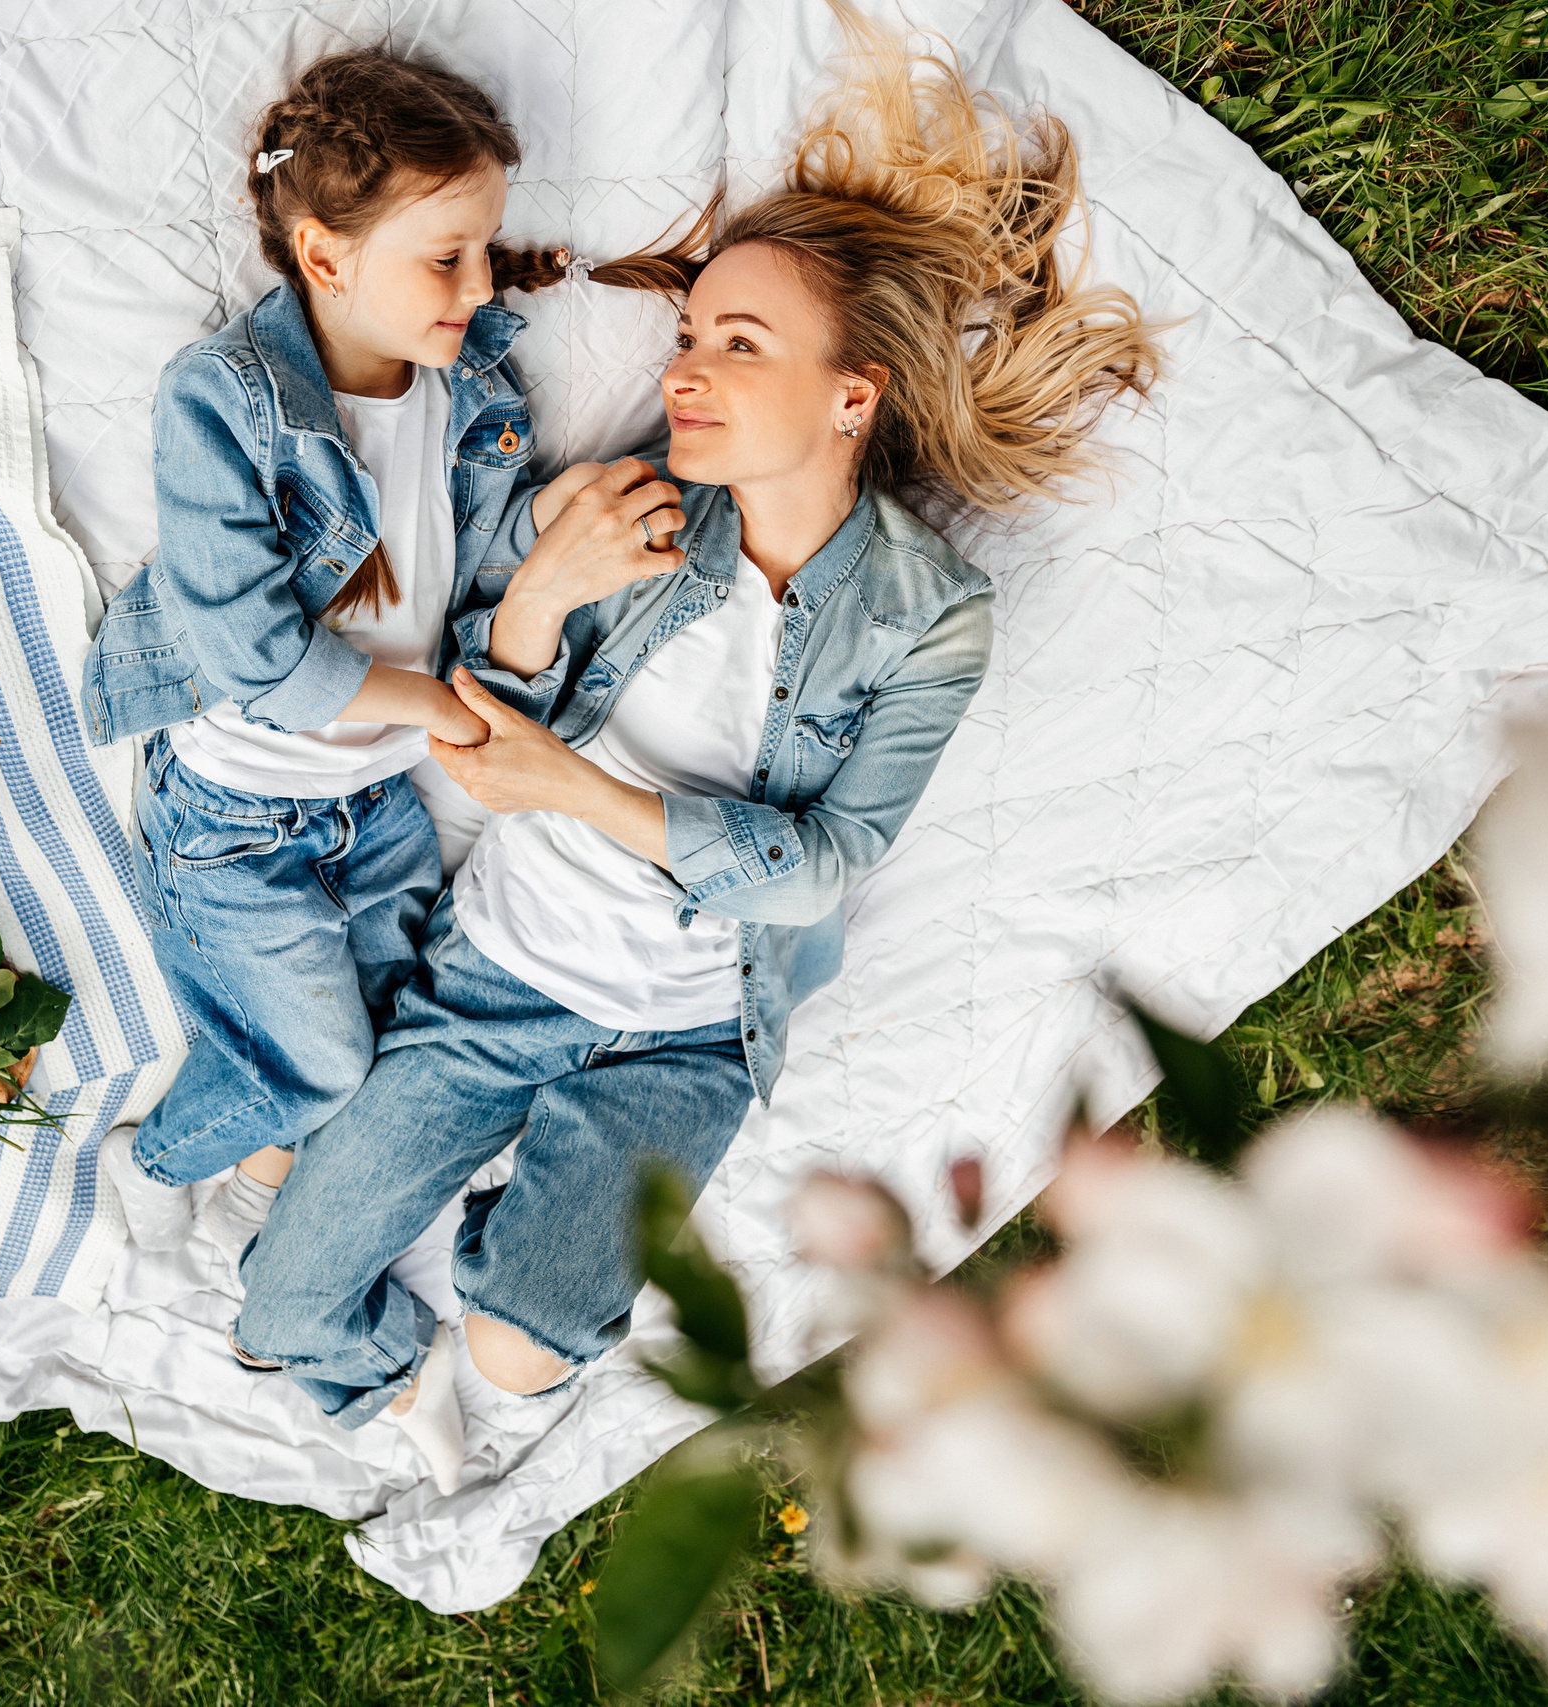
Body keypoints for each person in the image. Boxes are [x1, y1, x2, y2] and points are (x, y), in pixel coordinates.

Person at [232, 6, 1164, 1492]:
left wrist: (573, 786)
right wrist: (537, 590)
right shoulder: (631, 506)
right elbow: (462, 709)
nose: (685, 369)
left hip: (682, 1037)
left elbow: (818, 871)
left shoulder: (931, 615)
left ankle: (502, 1247)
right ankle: (409, 1252)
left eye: (738, 342)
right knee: (282, 1309)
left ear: (852, 395)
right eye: (684, 336)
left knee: (525, 1348)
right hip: (496, 975)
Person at [78, 49, 594, 1259]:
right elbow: (253, 652)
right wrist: (430, 706)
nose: (472, 287)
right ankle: (157, 1156)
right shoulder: (225, 398)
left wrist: (561, 527)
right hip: (235, 814)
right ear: (323, 255)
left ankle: (271, 1167)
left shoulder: (461, 386)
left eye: (481, 251)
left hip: (370, 802)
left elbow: (465, 558)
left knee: (380, 1032)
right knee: (317, 1065)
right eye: (444, 258)